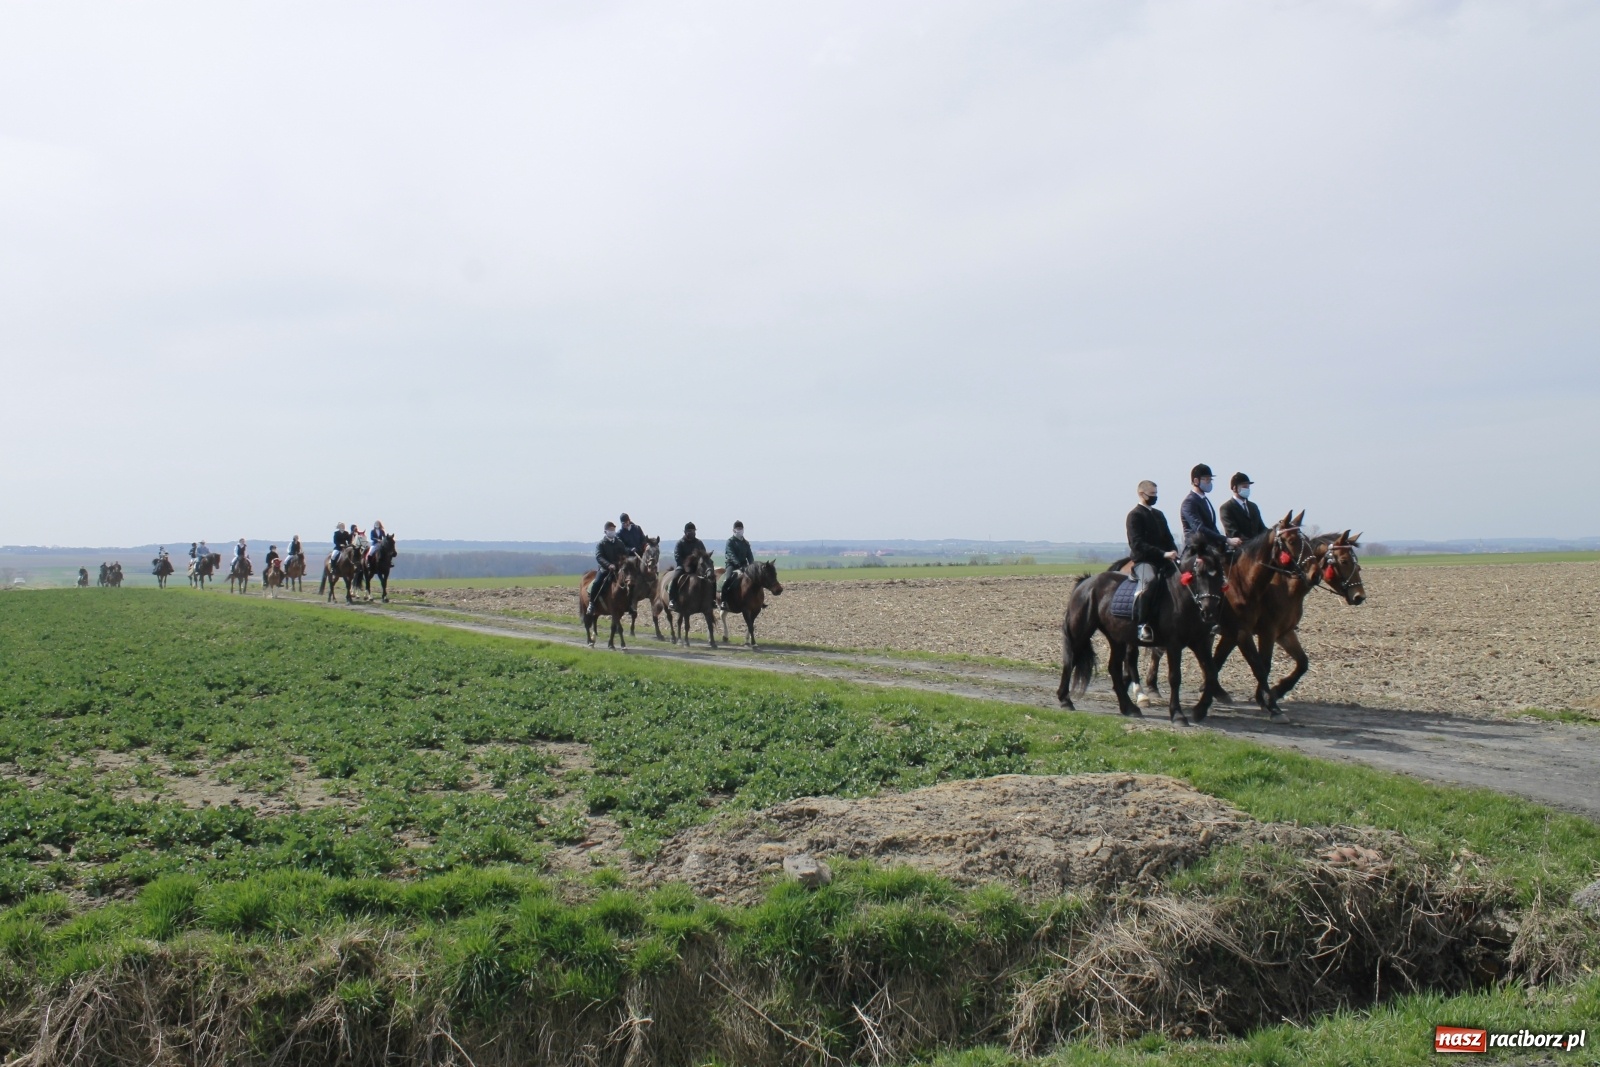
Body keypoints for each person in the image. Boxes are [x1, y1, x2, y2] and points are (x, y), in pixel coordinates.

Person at [1127, 480, 1179, 644]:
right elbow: (1137, 544)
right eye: (1152, 494)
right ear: (1142, 494)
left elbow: (1168, 538)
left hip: (1165, 559)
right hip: (1144, 561)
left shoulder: (1159, 514)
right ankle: (1142, 625)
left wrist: (1174, 552)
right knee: (1150, 582)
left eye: (1156, 494)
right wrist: (1163, 554)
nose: (1155, 497)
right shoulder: (1134, 515)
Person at [1181, 464, 1235, 548]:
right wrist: (1226, 539)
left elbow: (1212, 526)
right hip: (1196, 547)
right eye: (1206, 479)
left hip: (1211, 545)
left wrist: (1223, 543)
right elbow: (1199, 528)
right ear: (1196, 481)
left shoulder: (1204, 499)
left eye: (1210, 479)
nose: (1209, 482)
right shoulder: (1189, 502)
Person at [585, 521, 628, 622]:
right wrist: (608, 565)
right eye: (610, 530)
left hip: (618, 569)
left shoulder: (619, 542)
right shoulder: (601, 544)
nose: (612, 532)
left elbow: (624, 554)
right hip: (605, 569)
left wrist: (621, 563)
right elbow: (599, 557)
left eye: (613, 530)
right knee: (597, 583)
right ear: (605, 531)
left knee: (629, 582)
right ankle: (592, 603)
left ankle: (630, 604)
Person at [669, 522, 709, 611]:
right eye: (689, 531)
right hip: (683, 567)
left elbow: (704, 555)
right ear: (685, 532)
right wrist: (685, 566)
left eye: (693, 531)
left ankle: (711, 600)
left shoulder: (699, 543)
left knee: (710, 578)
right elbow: (677, 556)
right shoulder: (680, 543)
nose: (692, 532)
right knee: (675, 578)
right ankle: (672, 599)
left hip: (697, 567)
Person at [1219, 472, 1267, 541]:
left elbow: (1262, 529)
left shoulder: (1253, 507)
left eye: (1248, 487)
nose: (1247, 489)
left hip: (1256, 548)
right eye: (1244, 487)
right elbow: (1232, 532)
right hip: (1239, 548)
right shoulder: (1226, 508)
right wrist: (1251, 543)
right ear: (1234, 488)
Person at [721, 520, 755, 606]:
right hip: (731, 564)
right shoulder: (730, 542)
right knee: (728, 579)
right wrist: (738, 564)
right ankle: (723, 600)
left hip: (744, 565)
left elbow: (749, 555)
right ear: (734, 530)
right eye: (738, 528)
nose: (739, 530)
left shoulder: (746, 543)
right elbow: (731, 554)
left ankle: (757, 599)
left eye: (741, 528)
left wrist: (752, 566)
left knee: (754, 579)